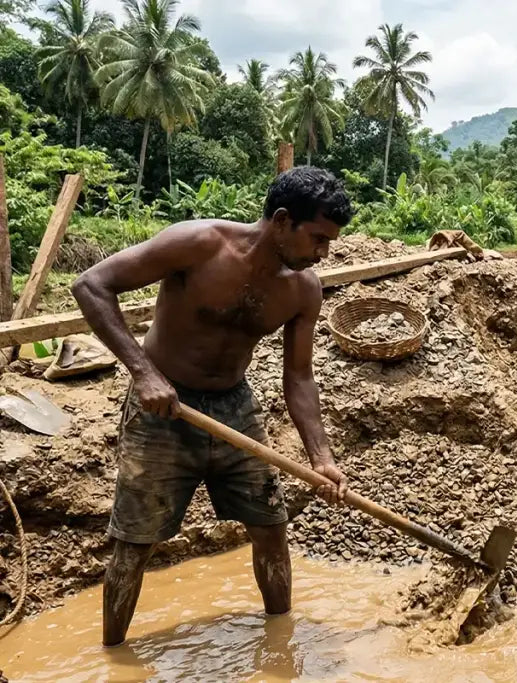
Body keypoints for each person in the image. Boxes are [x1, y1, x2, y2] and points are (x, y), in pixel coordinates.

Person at [72, 167, 354, 647]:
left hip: (235, 406)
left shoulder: (304, 289)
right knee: (135, 541)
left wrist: (322, 458)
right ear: (282, 221)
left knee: (270, 526)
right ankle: (113, 653)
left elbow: (300, 377)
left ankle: (279, 643)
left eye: (329, 242)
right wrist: (144, 373)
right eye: (318, 238)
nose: (322, 253)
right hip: (163, 408)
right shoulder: (198, 244)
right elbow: (91, 285)